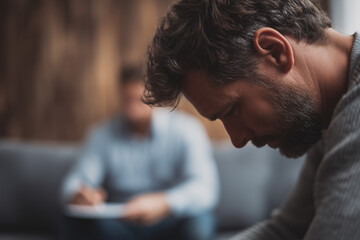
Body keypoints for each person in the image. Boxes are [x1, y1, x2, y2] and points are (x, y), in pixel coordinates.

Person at [143, 0, 360, 239]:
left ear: (275, 52)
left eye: (231, 110)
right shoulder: (328, 118)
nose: (237, 140)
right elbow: (286, 230)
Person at [60, 65, 219, 240]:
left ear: (155, 97)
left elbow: (205, 189)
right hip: (120, 225)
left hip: (171, 220)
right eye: (127, 100)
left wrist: (164, 203)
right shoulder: (102, 135)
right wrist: (79, 195)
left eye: (138, 100)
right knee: (70, 220)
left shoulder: (186, 130)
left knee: (200, 221)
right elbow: (76, 181)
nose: (132, 109)